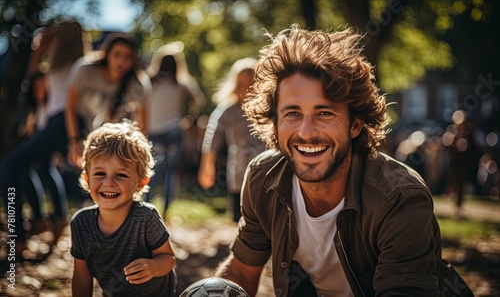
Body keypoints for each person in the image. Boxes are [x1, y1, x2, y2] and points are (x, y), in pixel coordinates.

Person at [215, 25, 471, 296]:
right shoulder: (262, 178)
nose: (306, 132)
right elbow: (242, 271)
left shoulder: (399, 198)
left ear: (355, 125)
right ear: (275, 123)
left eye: (324, 113)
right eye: (292, 114)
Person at [0, 21, 86, 253]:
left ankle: (17, 234)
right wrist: (39, 51)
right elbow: (33, 83)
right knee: (39, 166)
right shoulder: (72, 65)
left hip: (60, 122)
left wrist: (40, 49)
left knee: (9, 164)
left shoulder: (71, 66)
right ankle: (53, 218)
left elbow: (31, 81)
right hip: (56, 123)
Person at [70, 120, 176, 297]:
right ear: (87, 178)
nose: (109, 182)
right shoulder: (81, 224)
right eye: (100, 174)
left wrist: (154, 267)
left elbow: (168, 258)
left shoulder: (146, 217)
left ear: (140, 183)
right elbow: (82, 275)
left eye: (121, 175)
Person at [65, 32, 150, 169]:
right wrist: (74, 140)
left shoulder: (137, 84)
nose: (121, 61)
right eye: (117, 55)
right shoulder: (85, 70)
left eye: (127, 57)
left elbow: (143, 125)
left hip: (107, 138)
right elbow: (69, 106)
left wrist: (133, 153)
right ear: (107, 54)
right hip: (74, 125)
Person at [197, 58, 266, 222]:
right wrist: (207, 165)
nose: (247, 89)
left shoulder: (267, 108)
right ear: (235, 85)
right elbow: (212, 136)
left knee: (263, 214)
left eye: (252, 84)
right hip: (239, 172)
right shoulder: (229, 109)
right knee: (240, 216)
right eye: (242, 84)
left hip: (265, 172)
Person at [145, 49, 204, 211]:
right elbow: (198, 101)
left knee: (151, 172)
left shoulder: (149, 82)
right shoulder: (181, 83)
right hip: (174, 131)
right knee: (171, 174)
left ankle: (145, 208)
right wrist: (189, 117)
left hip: (153, 132)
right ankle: (166, 213)